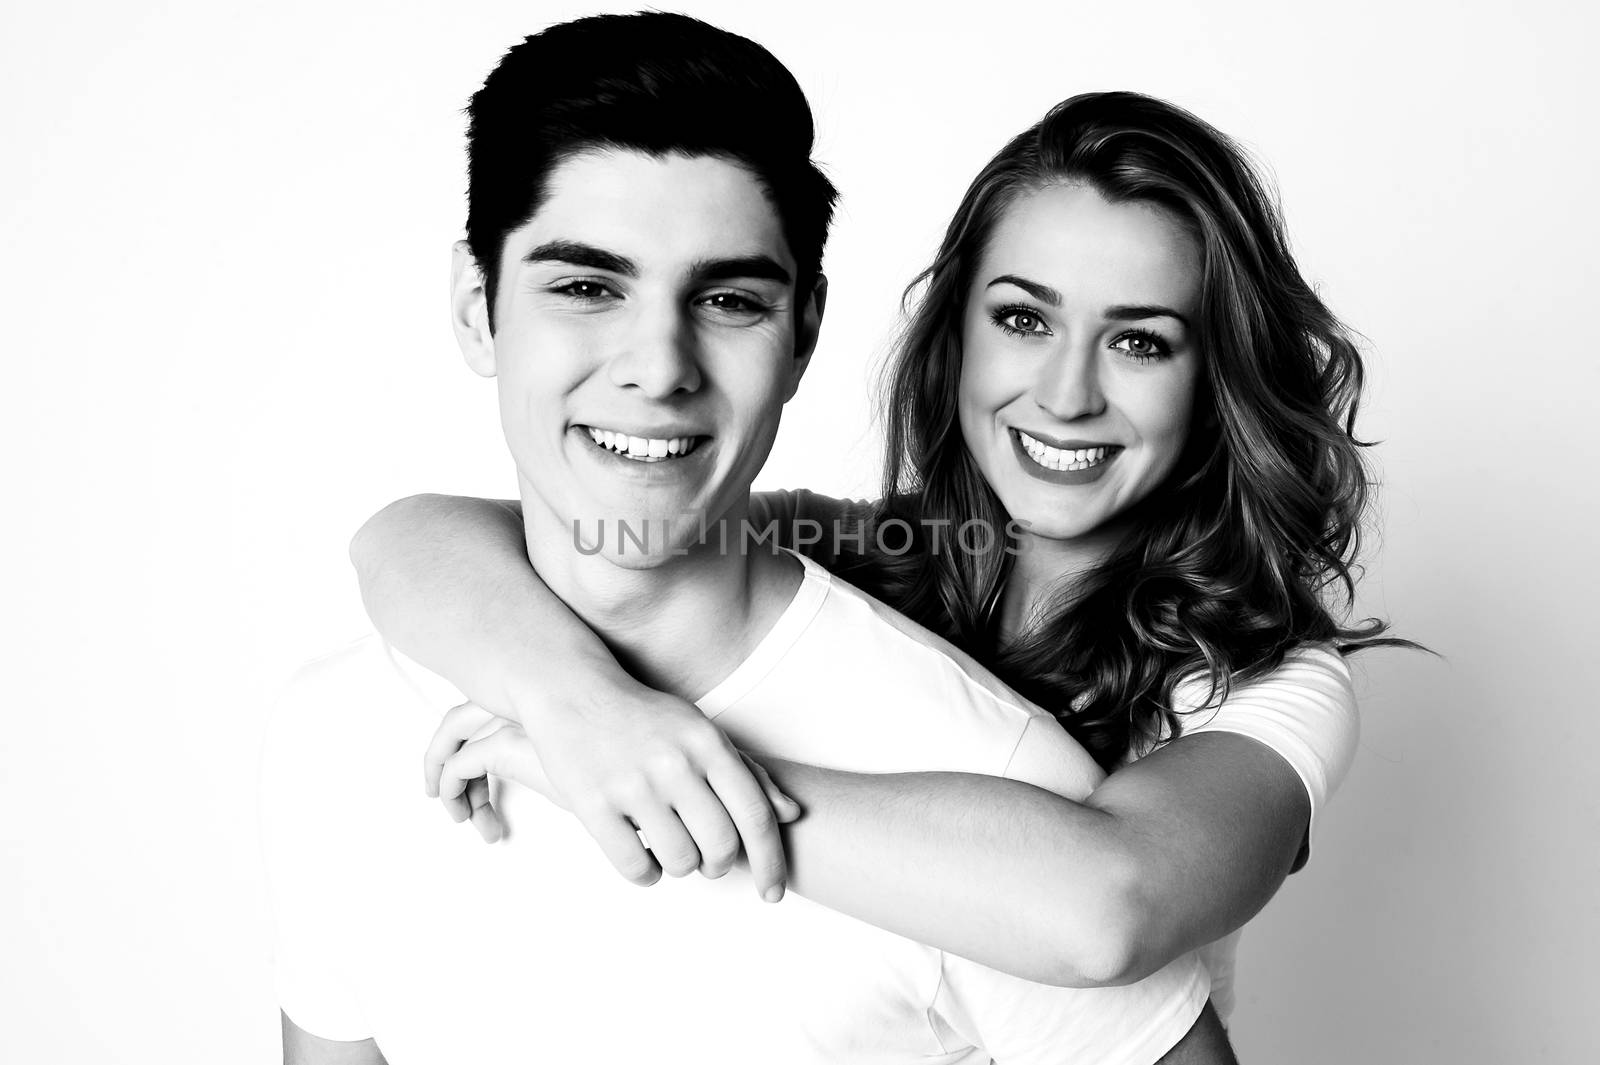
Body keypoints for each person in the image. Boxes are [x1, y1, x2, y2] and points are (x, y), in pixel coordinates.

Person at [262, 12, 1234, 1063]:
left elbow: (1111, 907)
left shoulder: (993, 789)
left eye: (726, 299)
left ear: (804, 331)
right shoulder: (338, 724)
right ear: (474, 306)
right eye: (587, 287)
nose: (658, 365)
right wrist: (583, 711)